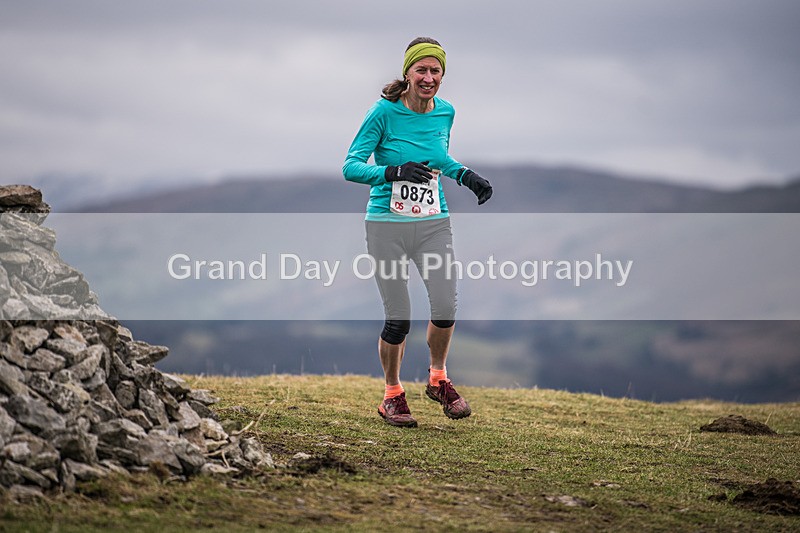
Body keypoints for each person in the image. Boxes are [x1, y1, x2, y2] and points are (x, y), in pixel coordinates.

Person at [342, 37, 493, 427]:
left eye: (435, 71)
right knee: (399, 318)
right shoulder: (383, 112)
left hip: (432, 223)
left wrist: (465, 175)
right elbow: (351, 166)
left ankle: (438, 379)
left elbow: (439, 156)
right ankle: (392, 395)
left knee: (444, 306)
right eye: (421, 70)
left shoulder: (446, 112)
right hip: (386, 225)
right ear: (407, 73)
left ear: (443, 74)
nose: (428, 78)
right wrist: (392, 172)